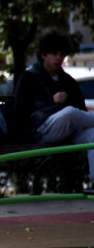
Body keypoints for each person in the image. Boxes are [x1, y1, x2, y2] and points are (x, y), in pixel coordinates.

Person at [15, 30, 94, 179]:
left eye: (62, 54)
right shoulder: (29, 78)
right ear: (43, 54)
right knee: (69, 112)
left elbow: (80, 108)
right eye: (54, 54)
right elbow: (21, 110)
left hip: (70, 130)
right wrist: (50, 101)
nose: (59, 58)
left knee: (93, 134)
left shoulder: (67, 80)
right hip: (41, 129)